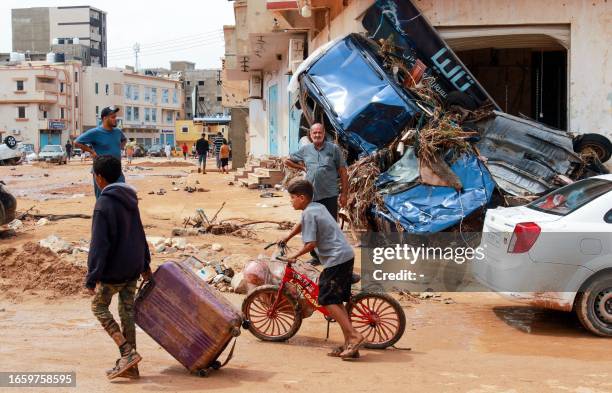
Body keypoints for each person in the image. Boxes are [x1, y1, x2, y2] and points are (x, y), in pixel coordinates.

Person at [279, 180, 364, 360]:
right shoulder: (315, 207)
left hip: (337, 259)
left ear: (302, 198)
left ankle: (355, 336)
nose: (291, 201)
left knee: (325, 298)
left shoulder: (310, 214)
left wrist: (294, 255)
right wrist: (287, 237)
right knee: (335, 300)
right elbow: (301, 224)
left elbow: (311, 243)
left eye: (292, 198)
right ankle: (349, 342)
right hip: (344, 255)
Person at [85, 155, 152, 380]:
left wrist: (92, 277)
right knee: (127, 312)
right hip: (132, 266)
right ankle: (131, 366)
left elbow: (99, 245)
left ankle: (126, 351)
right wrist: (145, 264)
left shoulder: (103, 204)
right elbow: (140, 232)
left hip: (114, 271)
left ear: (99, 178)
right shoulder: (130, 199)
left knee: (98, 307)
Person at [285, 123, 349, 265]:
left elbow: (343, 172)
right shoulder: (305, 150)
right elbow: (287, 160)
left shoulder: (334, 149)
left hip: (329, 195)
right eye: (314, 133)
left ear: (324, 133)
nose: (317, 135)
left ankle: (333, 256)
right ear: (311, 135)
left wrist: (344, 194)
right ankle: (316, 256)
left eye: (320, 132)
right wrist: (301, 166)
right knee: (310, 226)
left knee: (330, 228)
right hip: (311, 197)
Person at [75, 106, 127, 199]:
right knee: (103, 198)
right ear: (104, 118)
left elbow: (124, 139)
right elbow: (77, 142)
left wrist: (120, 147)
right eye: (113, 117)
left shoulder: (118, 132)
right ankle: (102, 213)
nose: (116, 119)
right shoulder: (95, 132)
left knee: (122, 196)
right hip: (101, 172)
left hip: (117, 170)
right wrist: (91, 151)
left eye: (116, 117)